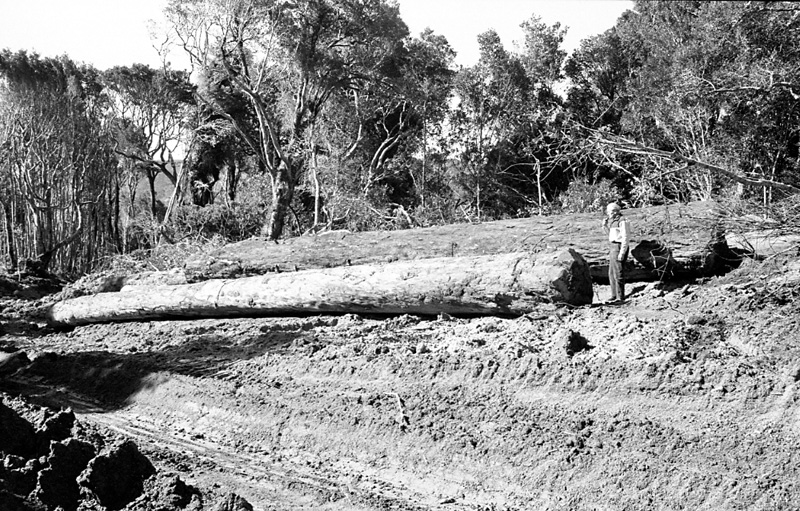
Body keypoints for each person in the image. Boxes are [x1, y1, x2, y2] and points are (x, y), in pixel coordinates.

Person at [602, 202, 630, 303]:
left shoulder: (623, 220)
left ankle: (620, 297)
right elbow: (610, 235)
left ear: (617, 211)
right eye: (609, 211)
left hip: (619, 246)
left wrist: (622, 252)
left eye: (612, 211)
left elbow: (625, 237)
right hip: (612, 246)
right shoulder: (612, 221)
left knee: (619, 272)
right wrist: (605, 225)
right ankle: (614, 295)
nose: (610, 213)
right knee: (611, 272)